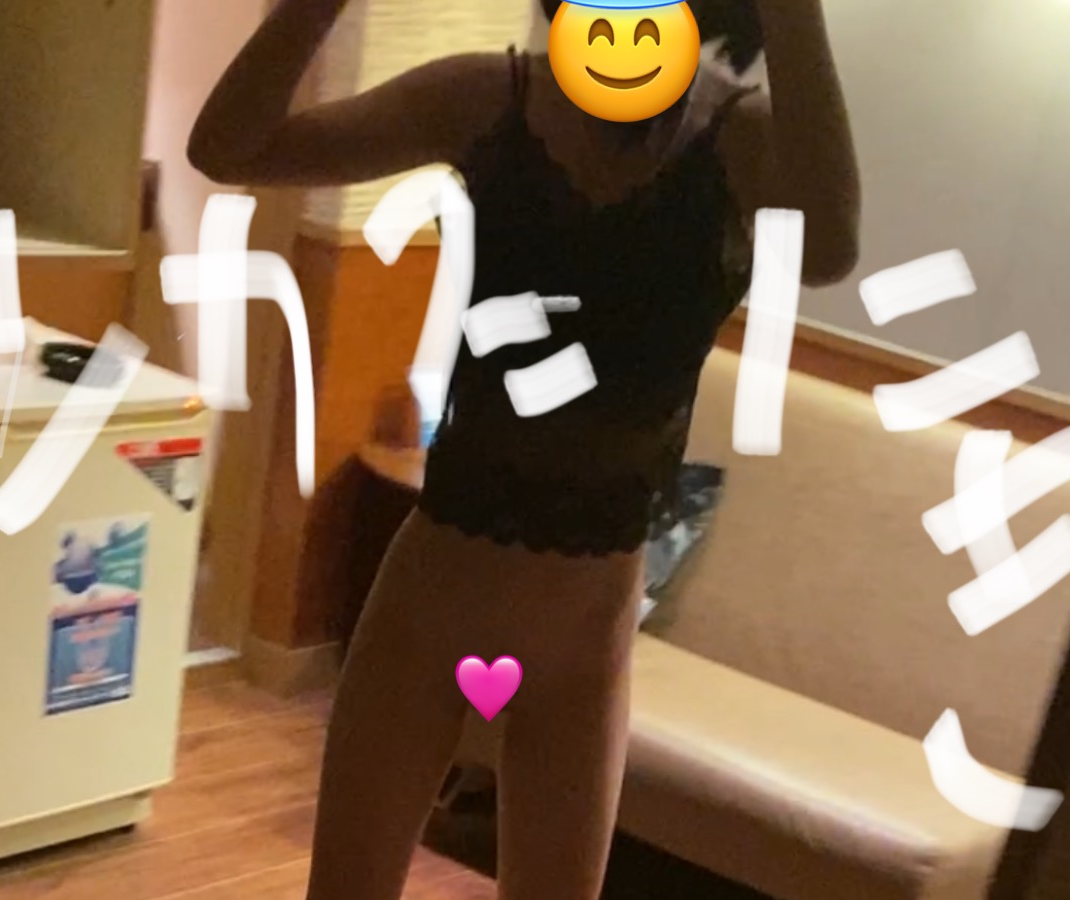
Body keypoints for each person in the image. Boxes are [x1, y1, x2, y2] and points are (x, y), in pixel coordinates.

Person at [190, 1, 859, 898]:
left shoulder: (740, 139)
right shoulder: (488, 97)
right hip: (427, 617)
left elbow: (829, 247)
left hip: (585, 655)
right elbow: (229, 147)